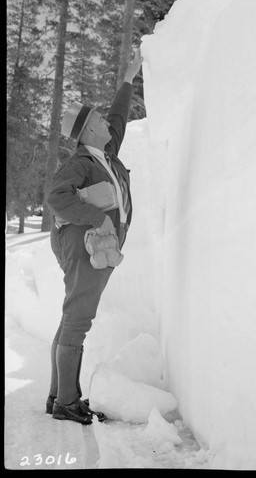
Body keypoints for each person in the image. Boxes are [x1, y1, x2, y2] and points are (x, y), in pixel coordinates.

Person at [45, 49, 142, 424]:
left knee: (72, 315)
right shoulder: (80, 163)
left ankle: (59, 396)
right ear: (87, 131)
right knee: (78, 317)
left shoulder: (105, 154)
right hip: (84, 247)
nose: (107, 122)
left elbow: (118, 117)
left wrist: (129, 79)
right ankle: (67, 403)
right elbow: (57, 197)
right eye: (98, 120)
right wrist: (97, 217)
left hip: (95, 247)